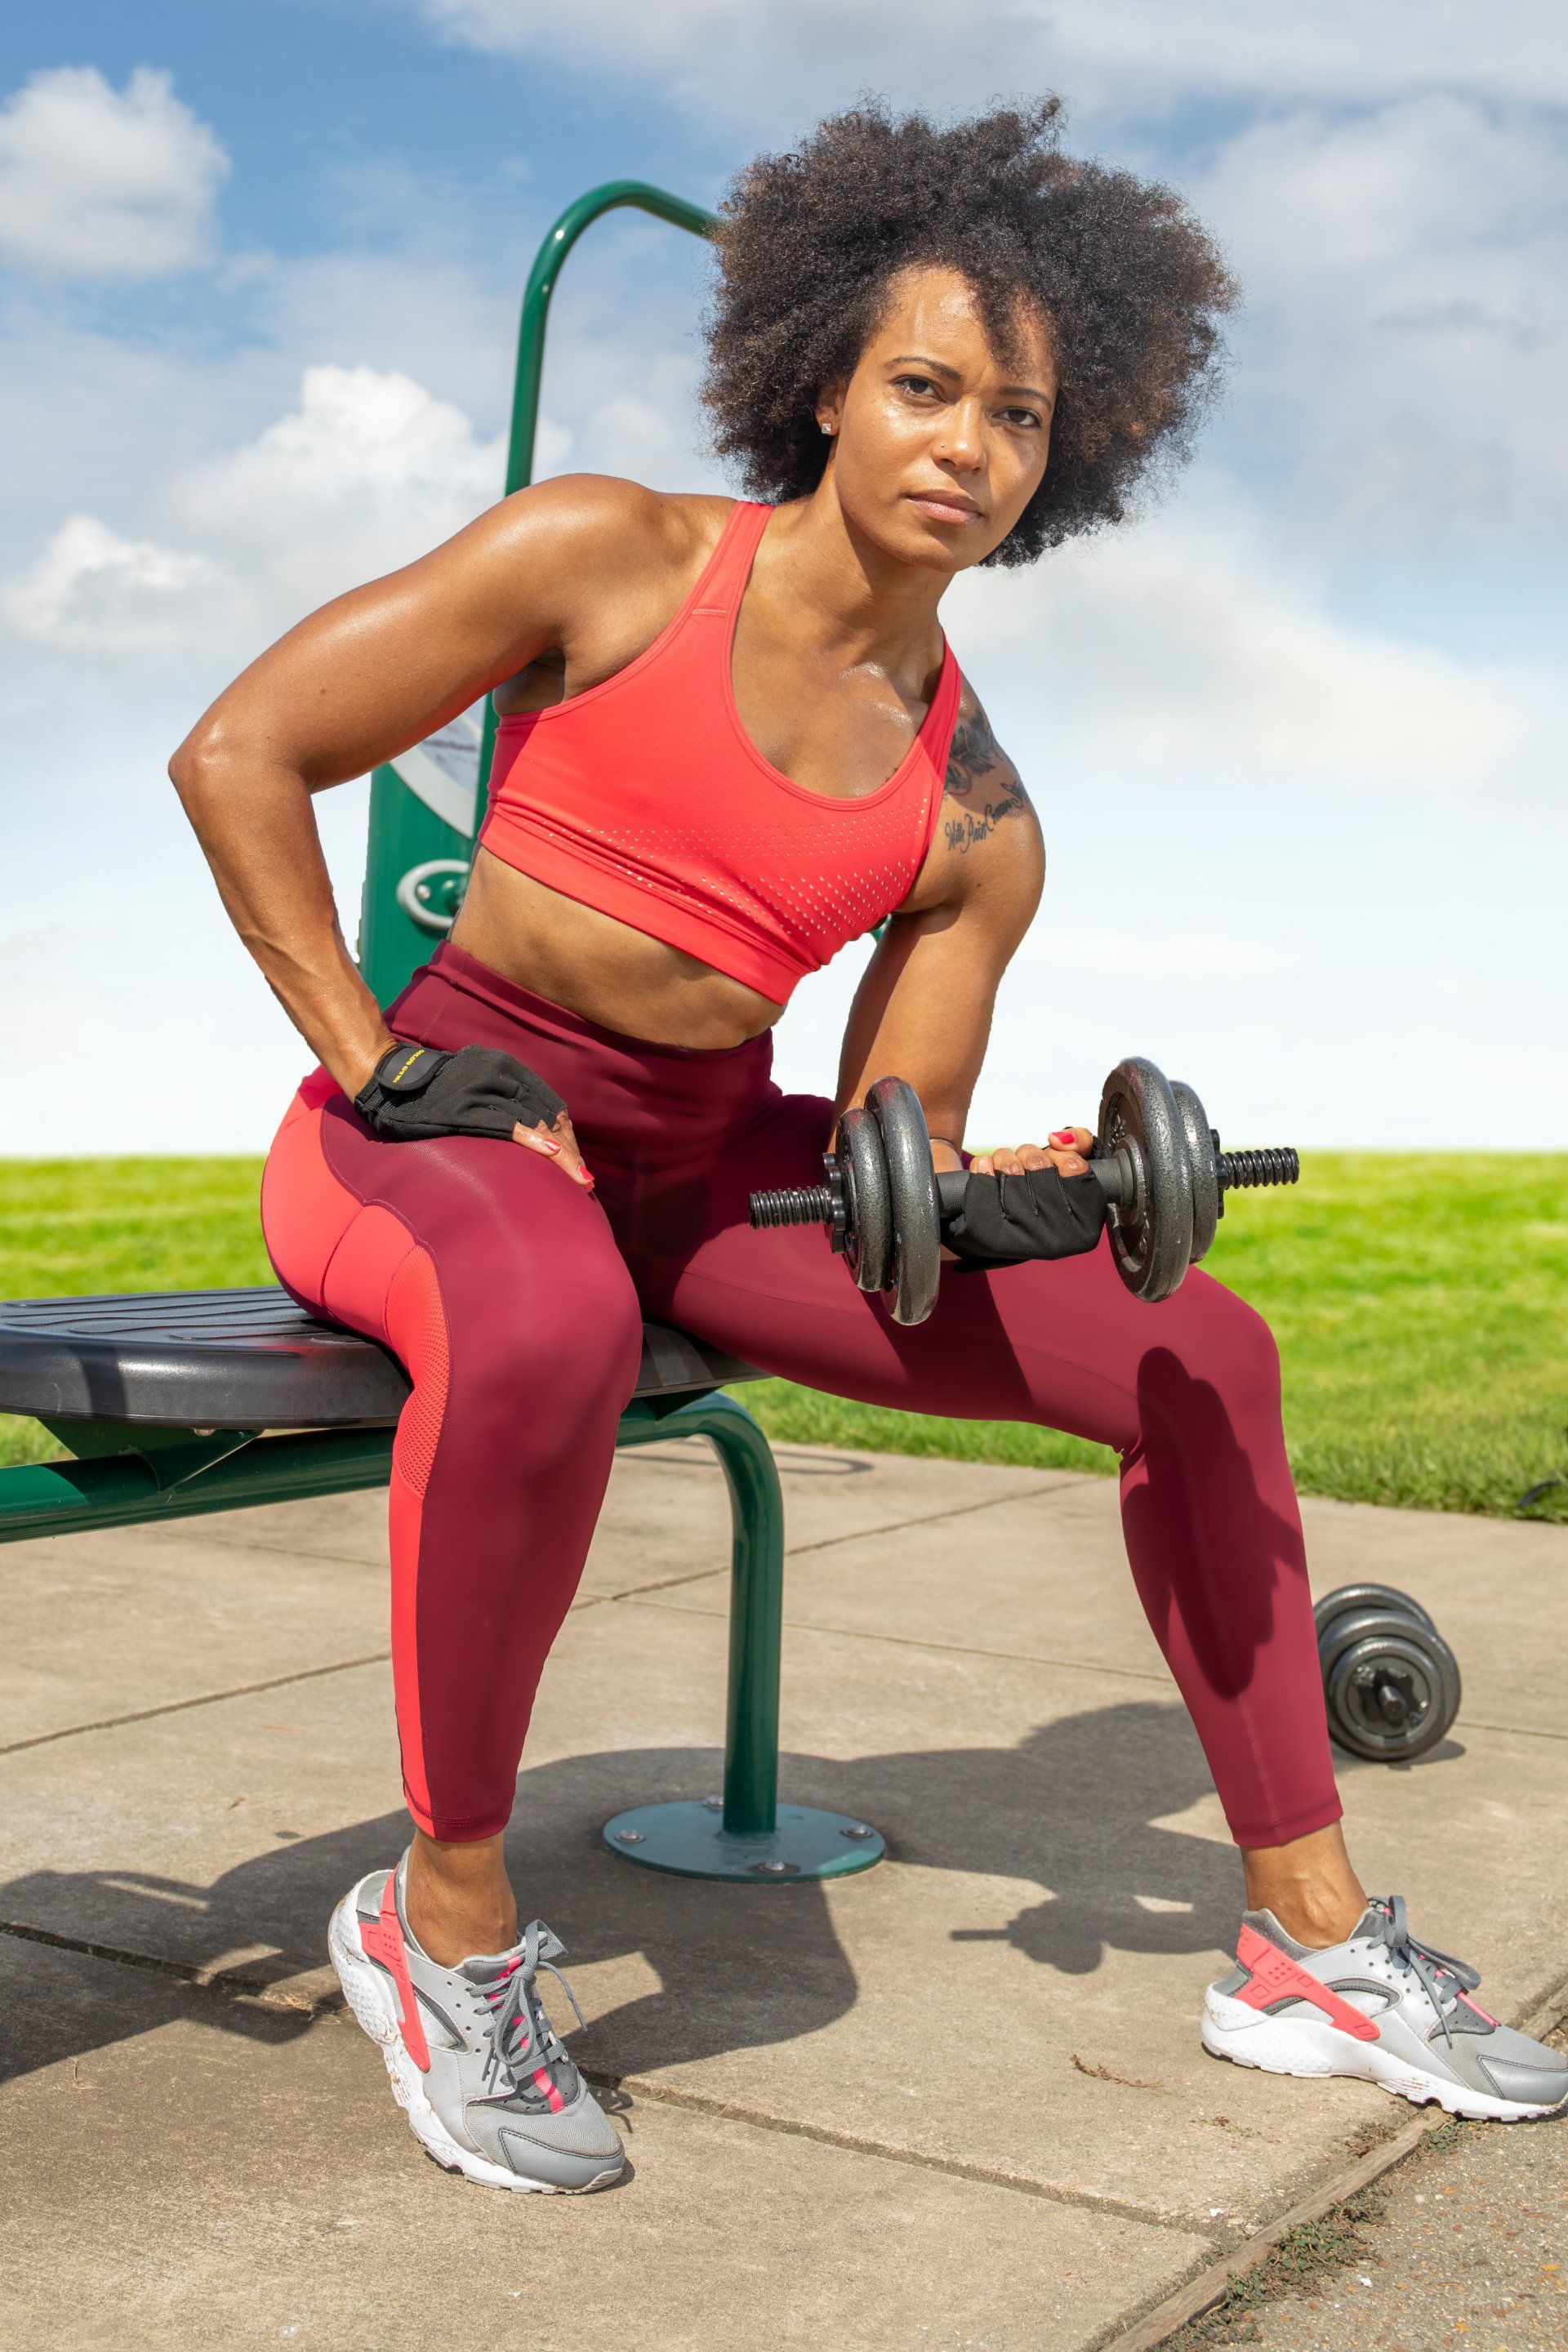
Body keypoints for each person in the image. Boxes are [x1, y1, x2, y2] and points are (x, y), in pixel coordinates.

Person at [171, 98, 1566, 2194]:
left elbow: (887, 1153)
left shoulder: (975, 813)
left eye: (1015, 414)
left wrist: (1008, 1204)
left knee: (1206, 1355)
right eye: (923, 386)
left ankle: (1309, 1945)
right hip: (435, 1133)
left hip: (715, 1171)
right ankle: (440, 1924)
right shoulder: (607, 557)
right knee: (541, 1319)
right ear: (823, 382)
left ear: (1060, 460)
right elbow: (239, 753)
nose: (965, 445)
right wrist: (377, 1062)